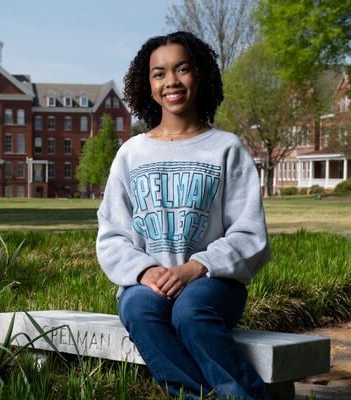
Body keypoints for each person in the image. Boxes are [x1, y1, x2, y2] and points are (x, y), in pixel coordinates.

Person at [96, 31, 271, 400]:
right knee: (139, 310)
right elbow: (112, 234)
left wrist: (196, 268)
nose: (171, 81)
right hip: (149, 285)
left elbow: (249, 234)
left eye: (182, 69)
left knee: (189, 312)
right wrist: (144, 271)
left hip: (213, 283)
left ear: (200, 76)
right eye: (159, 73)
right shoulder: (131, 153)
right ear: (147, 84)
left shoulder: (227, 148)